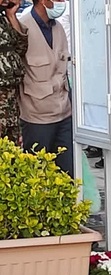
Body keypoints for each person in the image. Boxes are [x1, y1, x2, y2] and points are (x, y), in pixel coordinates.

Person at [19, 0, 73, 177]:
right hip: (36, 118)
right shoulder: (22, 27)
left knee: (67, 176)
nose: (62, 3)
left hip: (64, 114)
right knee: (37, 176)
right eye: (58, 0)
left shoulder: (58, 28)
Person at [0, 0, 27, 143]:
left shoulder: (4, 20)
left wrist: (11, 16)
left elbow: (21, 48)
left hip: (10, 95)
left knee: (12, 142)